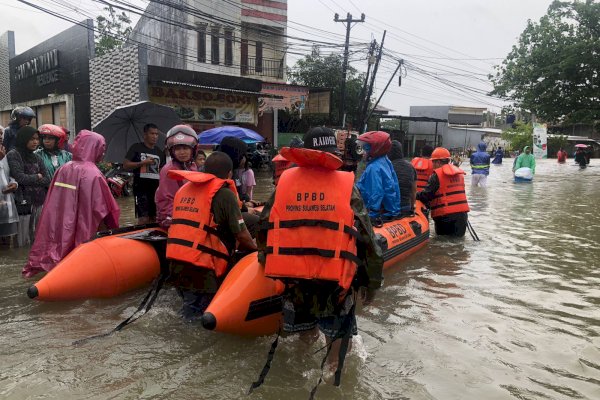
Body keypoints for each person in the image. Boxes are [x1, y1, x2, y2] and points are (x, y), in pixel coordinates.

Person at [256, 126, 383, 382]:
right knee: (335, 342)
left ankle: (296, 374)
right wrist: (372, 283)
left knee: (303, 337)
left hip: (296, 279)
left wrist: (265, 259)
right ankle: (331, 372)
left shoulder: (284, 185)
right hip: (334, 281)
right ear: (333, 155)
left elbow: (264, 227)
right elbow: (368, 239)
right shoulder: (347, 186)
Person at [166, 151, 257, 319]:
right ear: (229, 174)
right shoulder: (225, 194)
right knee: (198, 319)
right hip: (202, 270)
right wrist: (257, 252)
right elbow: (241, 234)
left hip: (176, 264)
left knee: (188, 310)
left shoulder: (186, 189)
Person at [22, 130, 120, 277]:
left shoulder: (63, 168)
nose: (103, 153)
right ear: (95, 148)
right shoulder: (94, 174)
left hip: (61, 224)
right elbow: (105, 209)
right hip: (84, 227)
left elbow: (52, 203)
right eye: (102, 148)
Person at [6, 126, 50, 247]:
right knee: (22, 240)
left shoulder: (37, 157)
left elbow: (47, 179)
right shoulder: (13, 155)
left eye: (37, 139)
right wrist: (37, 176)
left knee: (37, 238)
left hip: (39, 202)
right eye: (31, 139)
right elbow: (20, 178)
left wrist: (33, 178)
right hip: (23, 203)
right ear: (23, 139)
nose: (35, 142)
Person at [416, 147, 470, 237]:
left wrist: (414, 195)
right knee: (457, 245)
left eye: (433, 162)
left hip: (445, 218)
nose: (432, 165)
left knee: (442, 243)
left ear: (438, 162)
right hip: (462, 216)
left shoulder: (436, 175)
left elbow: (426, 195)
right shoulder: (459, 174)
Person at [155, 125, 198, 230]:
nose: (182, 152)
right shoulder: (169, 170)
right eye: (178, 148)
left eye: (185, 148)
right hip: (172, 220)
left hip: (189, 215)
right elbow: (166, 200)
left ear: (193, 149)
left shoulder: (193, 167)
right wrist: (172, 221)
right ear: (171, 151)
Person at [123, 123, 165, 224]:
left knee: (155, 217)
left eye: (156, 134)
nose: (155, 136)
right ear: (145, 135)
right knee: (143, 218)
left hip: (155, 189)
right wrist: (142, 163)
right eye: (152, 134)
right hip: (140, 188)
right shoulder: (136, 148)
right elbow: (126, 165)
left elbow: (162, 170)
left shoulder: (159, 152)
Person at [356, 130, 400, 223]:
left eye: (365, 147)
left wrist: (372, 214)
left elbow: (376, 192)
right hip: (389, 211)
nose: (363, 152)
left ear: (375, 149)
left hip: (376, 213)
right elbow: (392, 186)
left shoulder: (373, 167)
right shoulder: (385, 161)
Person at [388, 140, 416, 216]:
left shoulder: (387, 167)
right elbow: (413, 190)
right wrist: (412, 207)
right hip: (406, 207)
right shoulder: (411, 167)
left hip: (390, 209)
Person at [0, 130, 19, 244]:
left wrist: (14, 184)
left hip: (6, 207)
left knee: (8, 247)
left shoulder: (4, 154)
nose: (0, 137)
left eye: (1, 134)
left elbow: (10, 175)